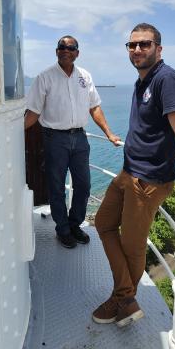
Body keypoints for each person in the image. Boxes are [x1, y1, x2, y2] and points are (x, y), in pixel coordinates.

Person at [93, 23, 175, 327]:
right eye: (132, 45)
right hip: (129, 172)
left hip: (148, 182)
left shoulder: (167, 79)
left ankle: (122, 298)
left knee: (133, 246)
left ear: (158, 49)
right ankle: (126, 295)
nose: (137, 50)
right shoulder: (142, 81)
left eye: (145, 44)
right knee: (103, 223)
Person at [25, 36, 120, 248]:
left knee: (83, 185)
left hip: (79, 138)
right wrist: (16, 131)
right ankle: (63, 229)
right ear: (56, 51)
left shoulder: (84, 76)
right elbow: (33, 111)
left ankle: (75, 224)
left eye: (71, 48)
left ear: (77, 53)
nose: (65, 50)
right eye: (61, 47)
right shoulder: (44, 77)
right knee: (57, 186)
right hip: (54, 139)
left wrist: (109, 133)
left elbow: (94, 107)